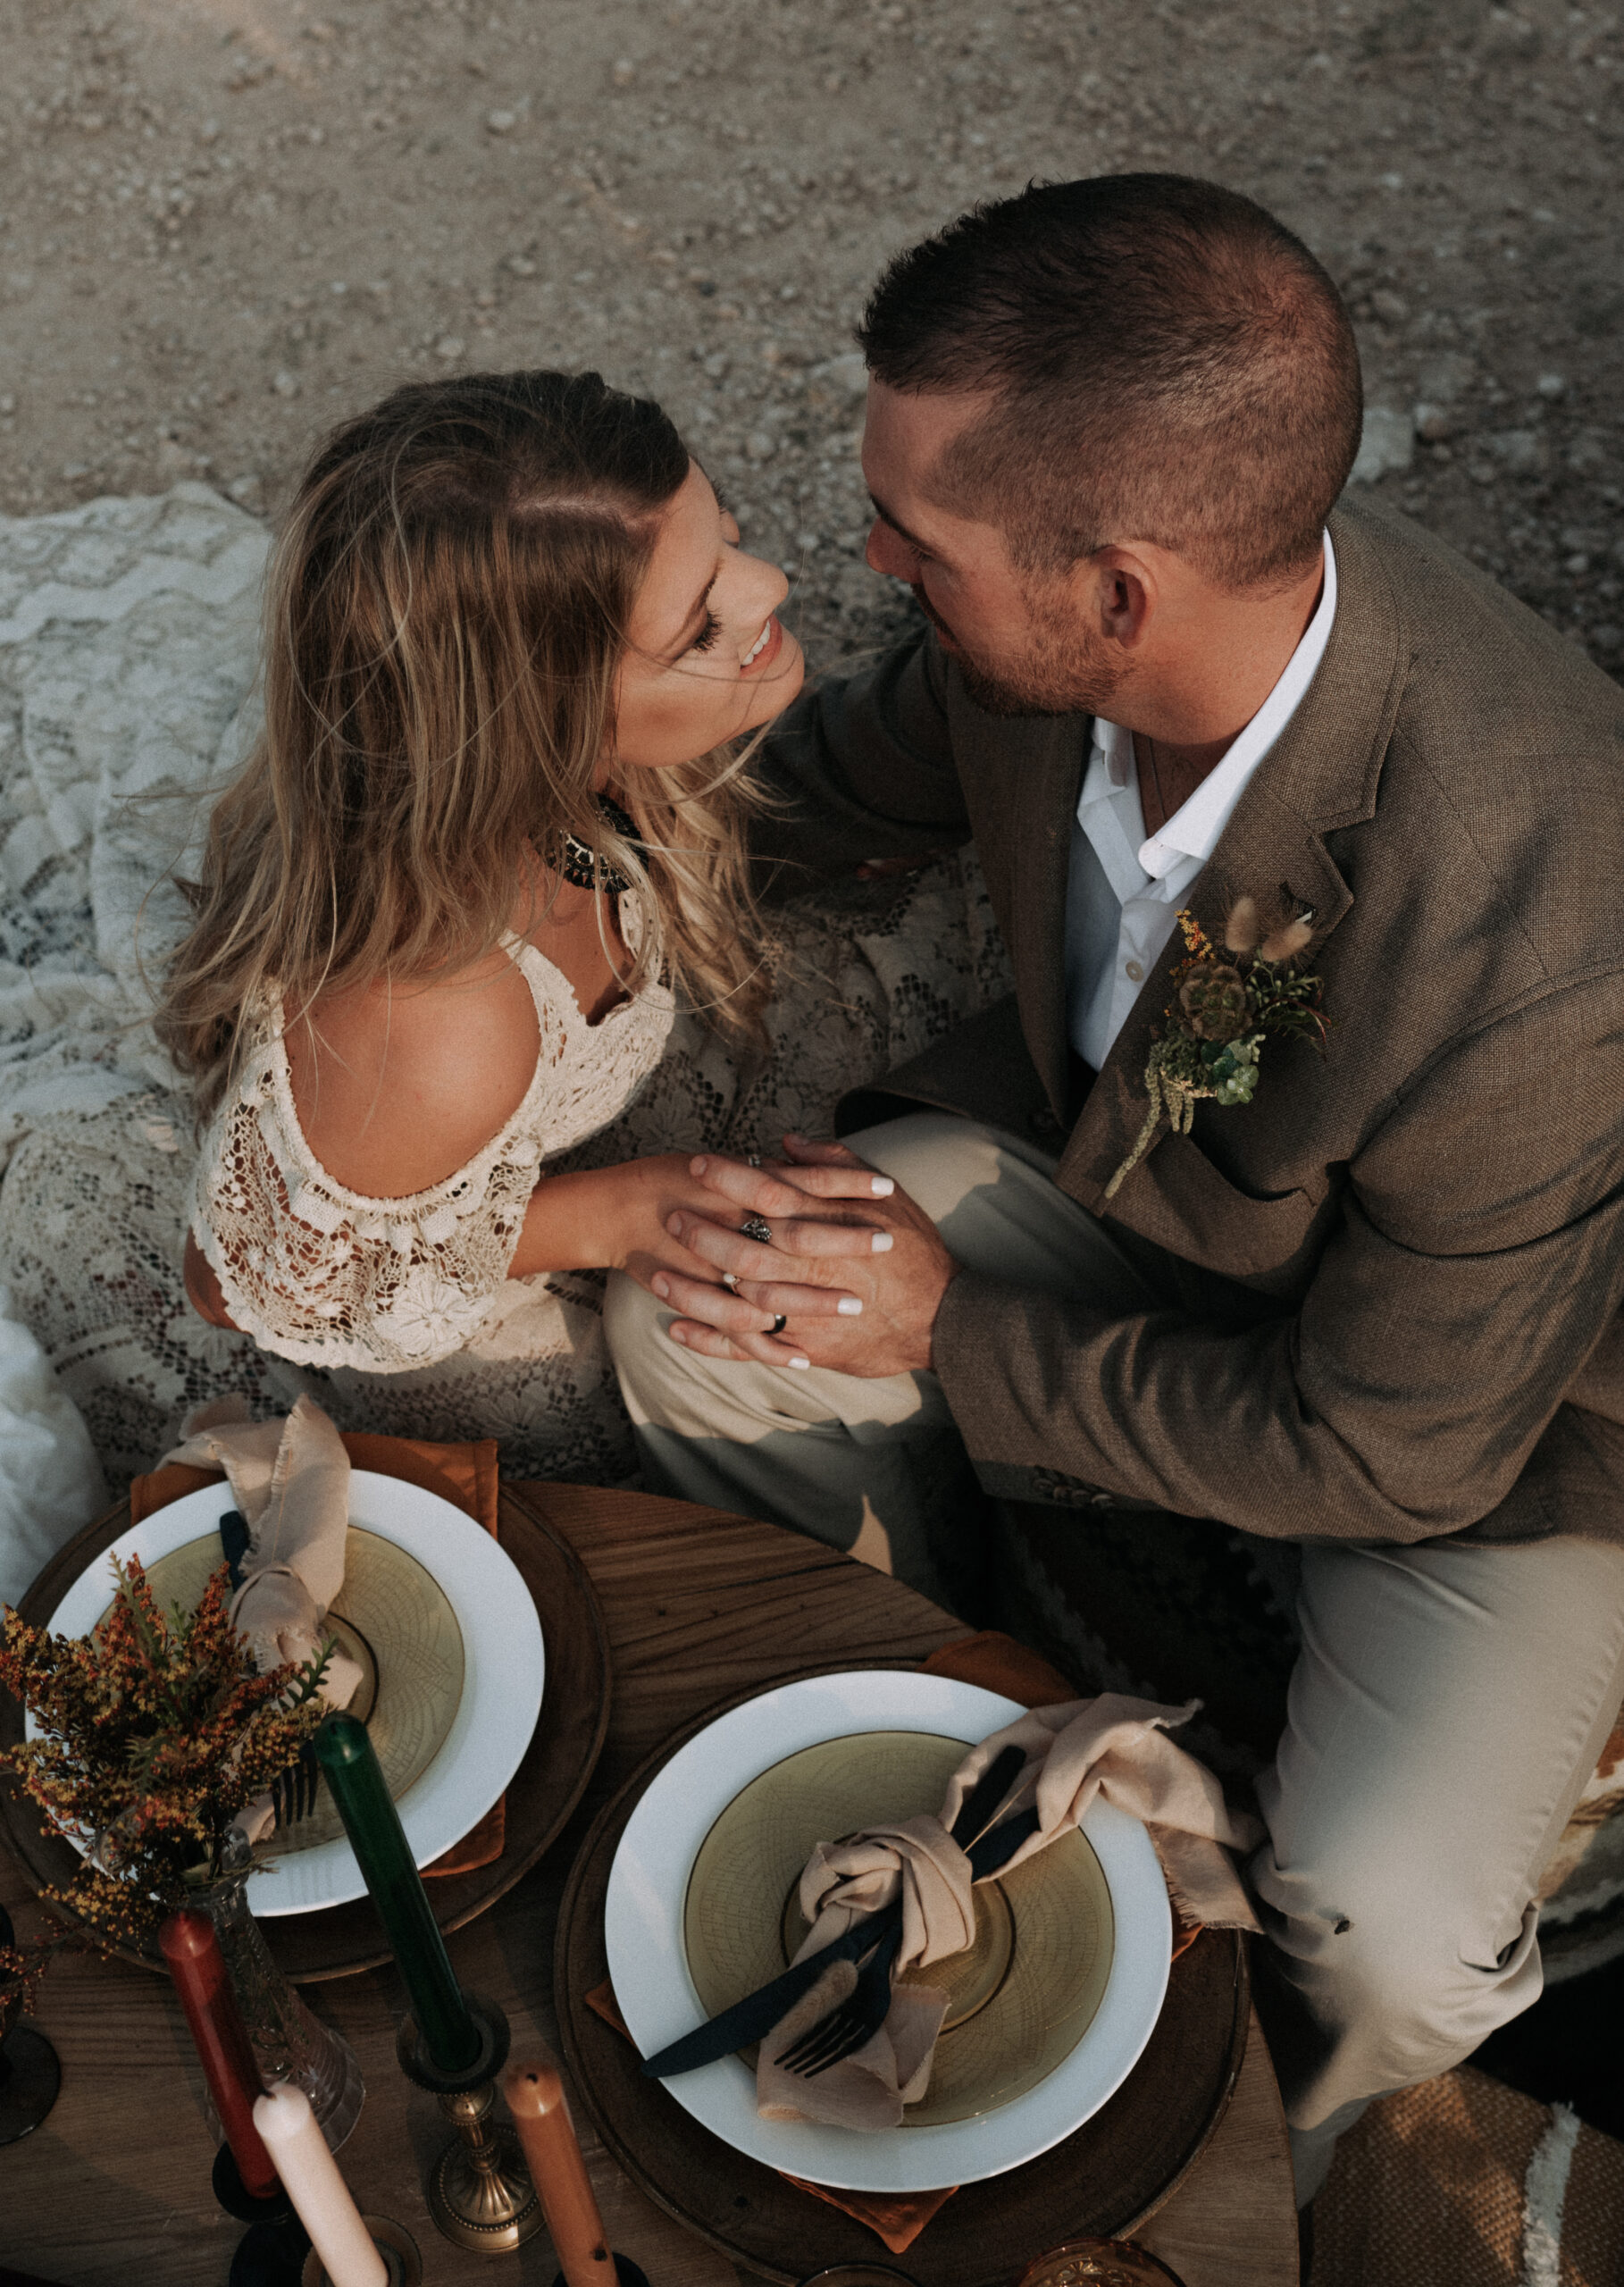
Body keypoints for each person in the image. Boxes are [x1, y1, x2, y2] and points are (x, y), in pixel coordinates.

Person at [602, 176, 1624, 2199]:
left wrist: (953, 1334)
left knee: (1391, 1921)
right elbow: (839, 779)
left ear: (1121, 592)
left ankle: (1209, 2131)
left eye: (920, 539)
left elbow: (1398, 1443)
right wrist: (536, 808)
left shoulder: (1540, 931)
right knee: (702, 1304)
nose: (859, 561)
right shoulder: (1043, 632)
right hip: (1160, 1212)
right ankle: (891, 1732)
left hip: (1491, 1430)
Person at [144, 368, 1006, 1525]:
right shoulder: (438, 1015)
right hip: (469, 1324)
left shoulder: (585, 782)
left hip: (546, 1134)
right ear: (536, 718)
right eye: (700, 620)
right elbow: (238, 1281)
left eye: (730, 540)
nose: (771, 589)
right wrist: (604, 1216)